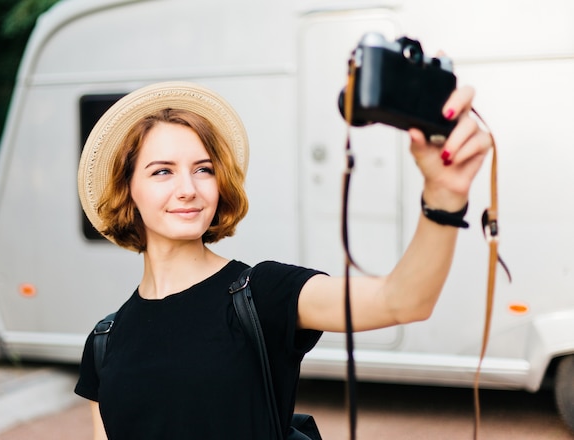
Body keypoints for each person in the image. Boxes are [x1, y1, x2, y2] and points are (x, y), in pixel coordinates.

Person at [74, 81, 491, 439]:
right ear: (128, 190)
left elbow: (403, 300)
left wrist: (444, 198)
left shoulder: (261, 294)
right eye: (162, 171)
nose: (188, 188)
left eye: (203, 169)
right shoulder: (104, 342)